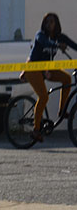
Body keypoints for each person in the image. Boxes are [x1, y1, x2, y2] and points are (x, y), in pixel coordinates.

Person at [23, 12, 77, 142]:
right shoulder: (40, 35)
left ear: (56, 24)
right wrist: (57, 45)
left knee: (67, 79)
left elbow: (74, 45)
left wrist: (61, 44)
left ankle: (62, 111)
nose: (49, 24)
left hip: (46, 68)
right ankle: (36, 130)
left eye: (51, 22)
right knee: (43, 97)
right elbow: (45, 43)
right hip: (33, 69)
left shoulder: (60, 37)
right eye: (47, 22)